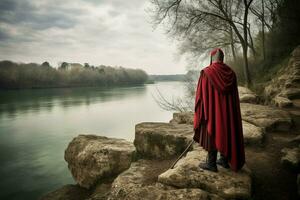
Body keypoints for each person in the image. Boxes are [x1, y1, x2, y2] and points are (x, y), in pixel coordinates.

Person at [193, 48, 245, 172]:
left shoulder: (206, 73)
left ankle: (211, 163)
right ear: (222, 58)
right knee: (226, 129)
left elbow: (201, 97)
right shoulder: (231, 73)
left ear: (212, 58)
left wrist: (201, 112)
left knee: (211, 128)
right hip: (228, 113)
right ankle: (224, 159)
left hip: (212, 112)